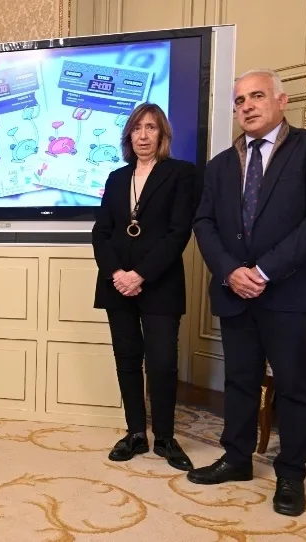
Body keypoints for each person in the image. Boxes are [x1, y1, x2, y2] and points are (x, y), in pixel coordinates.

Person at [189, 68, 306, 516]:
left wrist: (263, 270)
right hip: (235, 291)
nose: (247, 106)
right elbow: (204, 223)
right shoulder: (220, 165)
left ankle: (291, 474)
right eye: (239, 100)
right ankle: (236, 458)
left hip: (292, 291)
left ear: (281, 100)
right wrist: (231, 271)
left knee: (293, 387)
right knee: (239, 381)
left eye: (256, 96)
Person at [91, 103, 199, 472]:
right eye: (136, 128)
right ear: (128, 136)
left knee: (162, 362)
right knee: (127, 359)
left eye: (150, 127)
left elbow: (178, 233)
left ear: (162, 134)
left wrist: (140, 275)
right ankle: (136, 433)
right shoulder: (116, 177)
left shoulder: (180, 174)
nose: (143, 135)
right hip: (116, 285)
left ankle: (165, 437)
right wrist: (117, 274)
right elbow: (101, 232)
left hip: (160, 284)